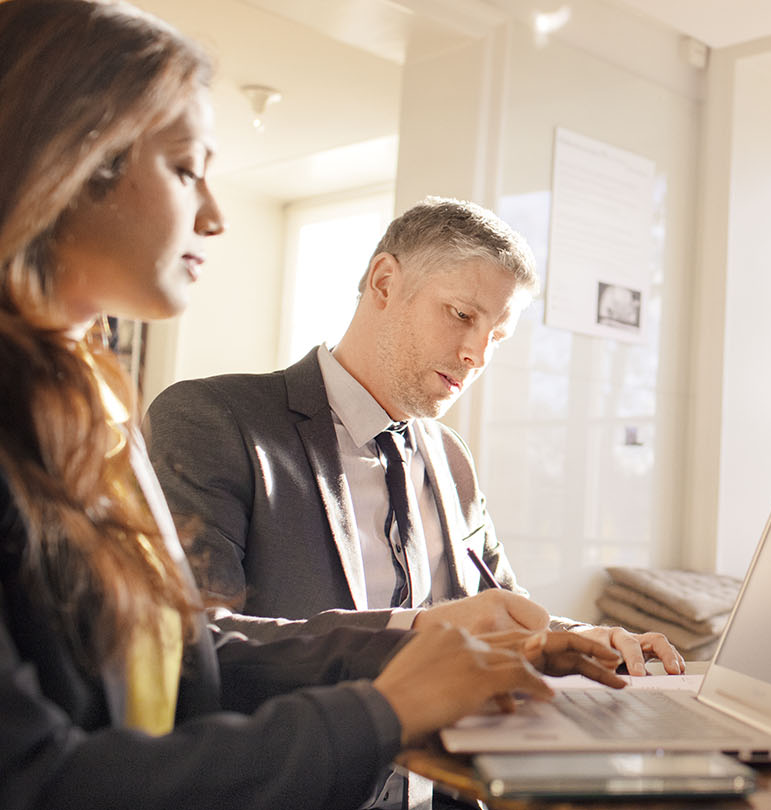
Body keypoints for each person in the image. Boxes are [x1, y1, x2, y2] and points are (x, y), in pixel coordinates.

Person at [0, 3, 625, 808]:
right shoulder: (202, 420)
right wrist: (384, 710)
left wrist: (454, 637)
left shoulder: (89, 408)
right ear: (67, 161)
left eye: (496, 336)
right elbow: (37, 778)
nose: (216, 216)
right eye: (187, 169)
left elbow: (190, 653)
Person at [144, 195, 683, 676]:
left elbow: (502, 607)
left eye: (497, 336)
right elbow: (194, 640)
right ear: (384, 282)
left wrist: (582, 639)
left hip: (465, 755)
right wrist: (419, 632)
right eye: (462, 314)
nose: (477, 355)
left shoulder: (452, 457)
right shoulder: (213, 420)